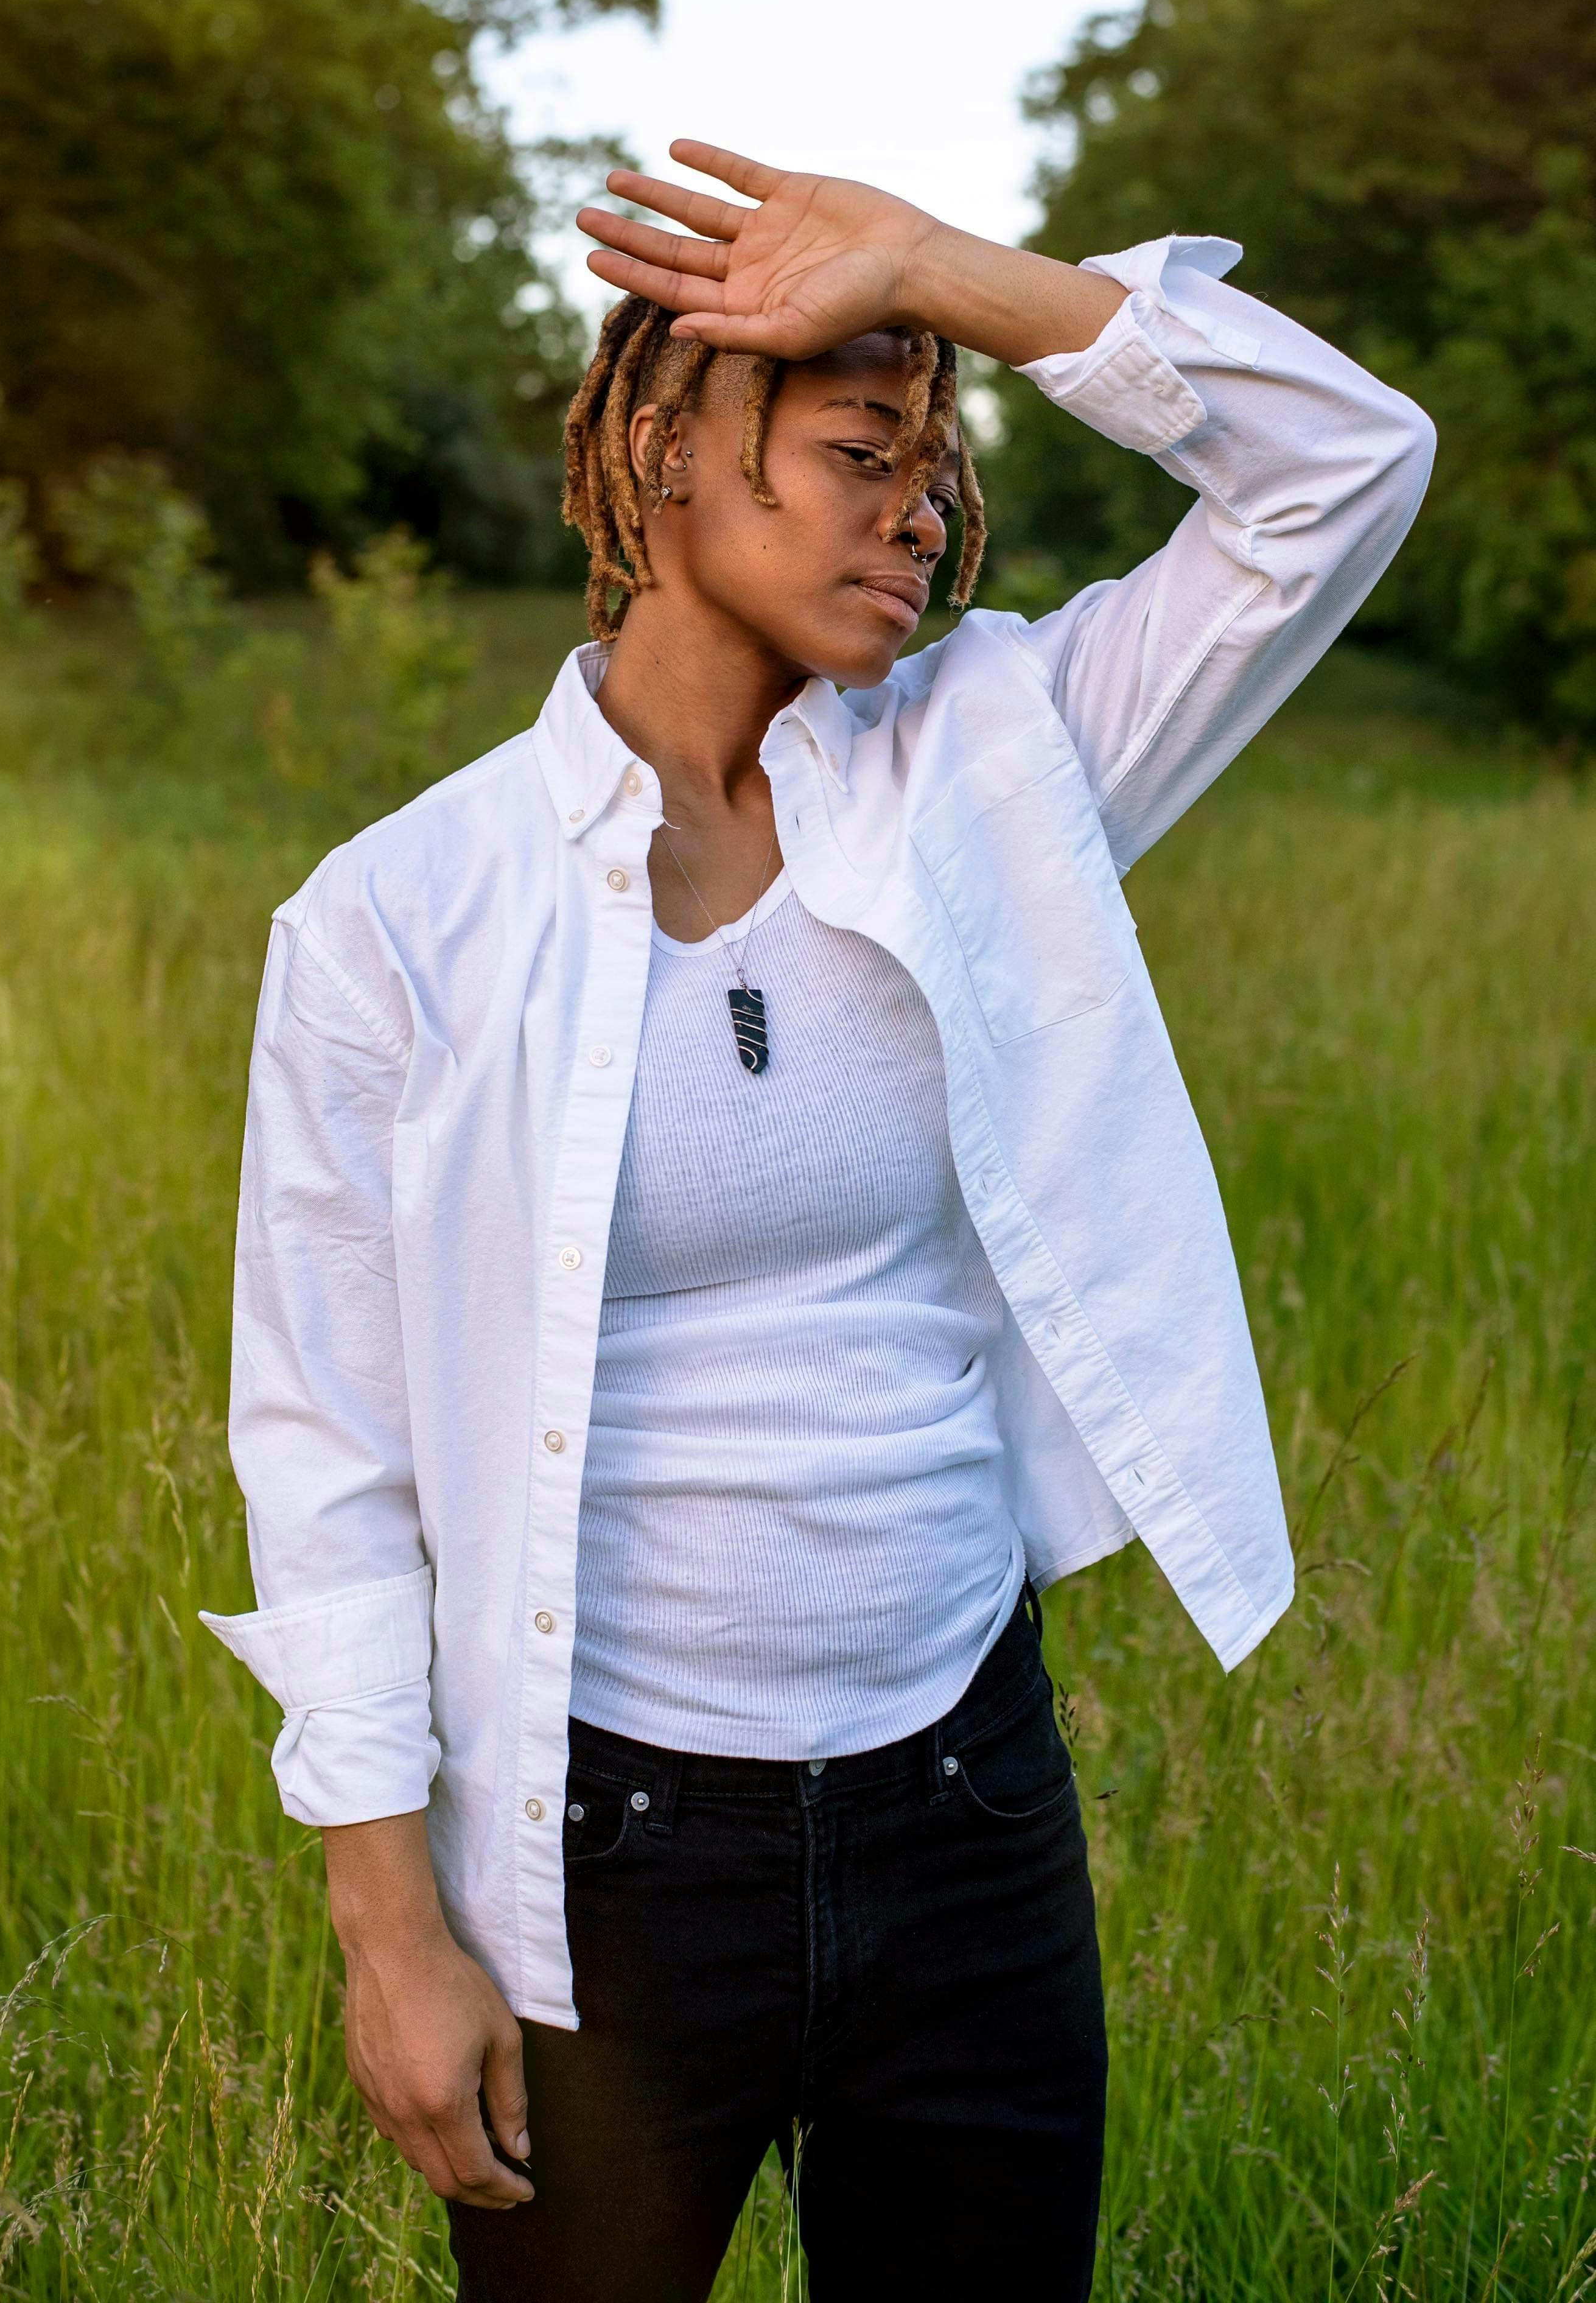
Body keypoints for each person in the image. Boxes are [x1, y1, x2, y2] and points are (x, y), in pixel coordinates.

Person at [202, 141, 1434, 2300]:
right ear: (661, 452)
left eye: (940, 470)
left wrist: (952, 267)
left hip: (966, 1813)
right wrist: (389, 1930)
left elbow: (1342, 469)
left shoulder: (1000, 770)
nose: (925, 510)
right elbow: (328, 1461)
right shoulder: (403, 917)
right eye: (863, 448)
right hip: (606, 1862)